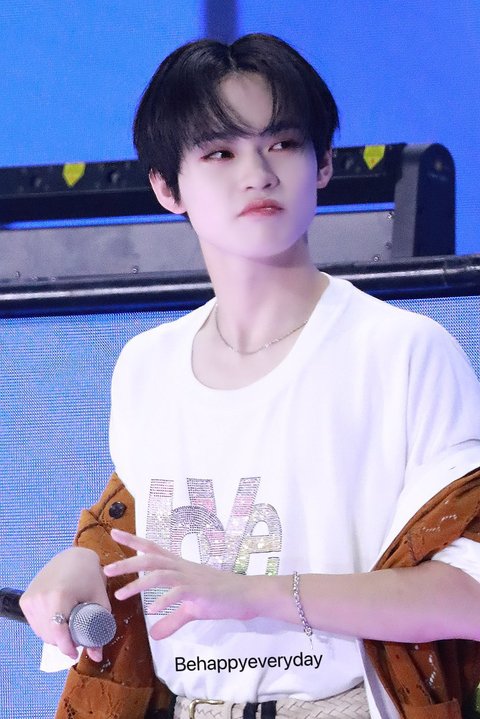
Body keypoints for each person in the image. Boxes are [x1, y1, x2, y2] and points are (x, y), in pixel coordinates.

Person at [20, 33, 480, 719]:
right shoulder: (146, 366)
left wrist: (254, 594)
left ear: (324, 164)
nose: (258, 173)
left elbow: (469, 596)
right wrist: (83, 564)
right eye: (220, 152)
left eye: (283, 143)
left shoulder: (403, 353)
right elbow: (134, 537)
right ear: (166, 186)